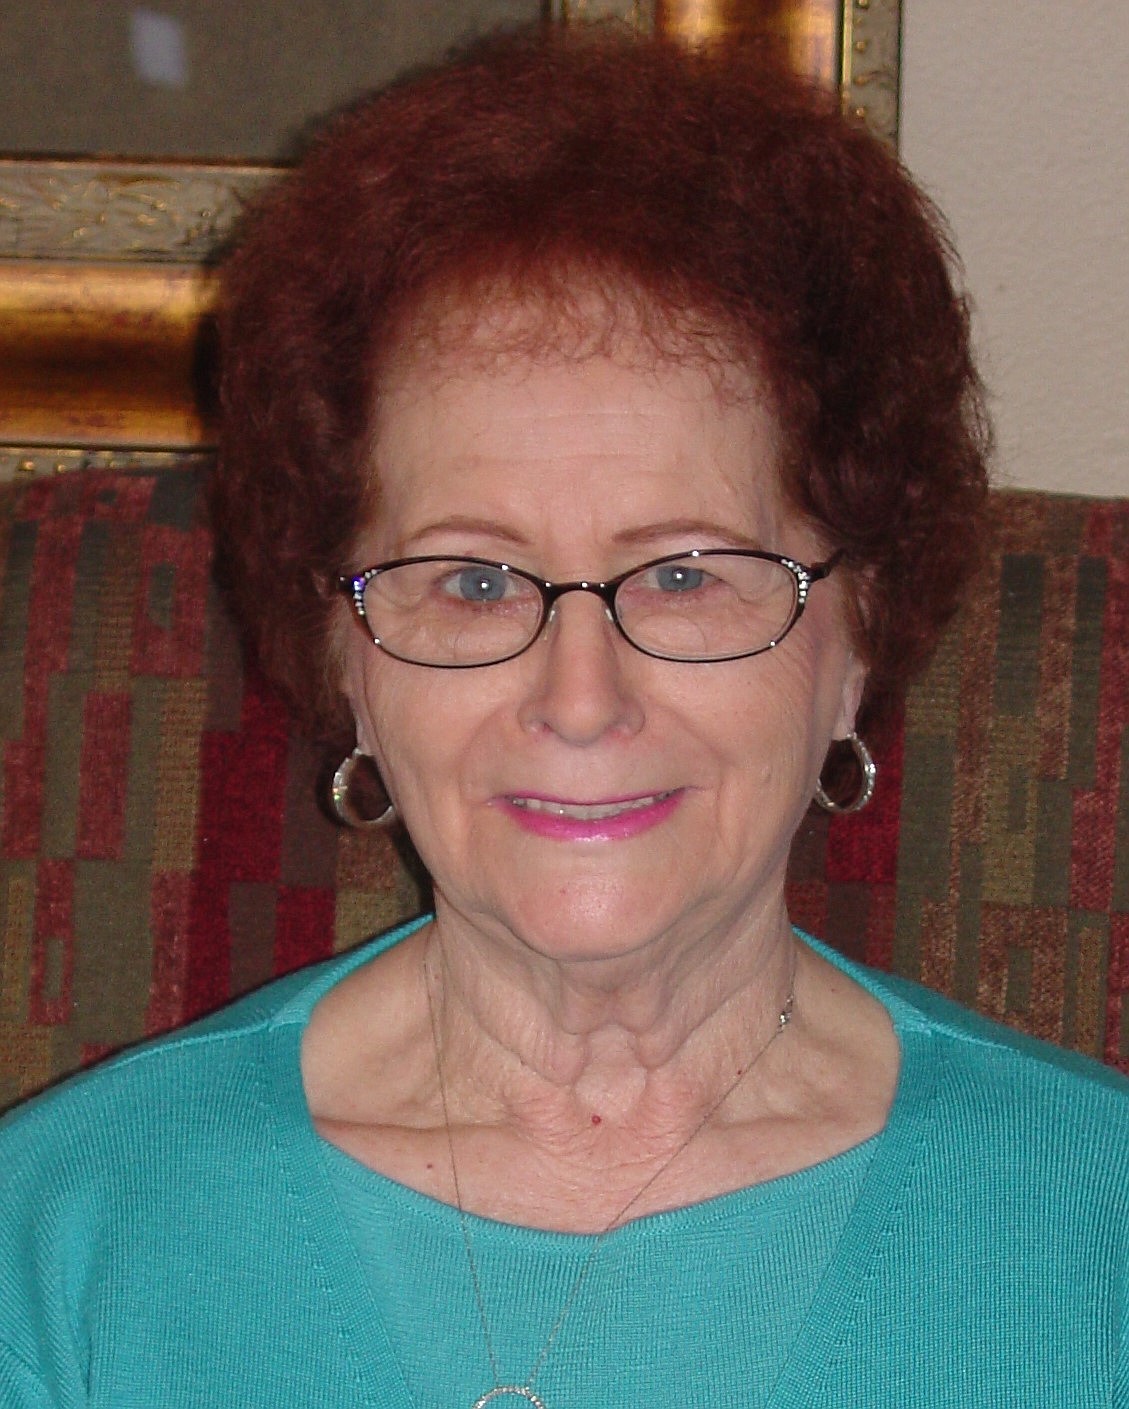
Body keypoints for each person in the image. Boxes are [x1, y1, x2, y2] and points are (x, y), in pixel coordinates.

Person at [2, 24, 1127, 1409]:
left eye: (685, 574)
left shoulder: (1099, 1238)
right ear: (345, 655)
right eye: (473, 582)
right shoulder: (58, 1249)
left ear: (857, 637)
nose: (578, 698)